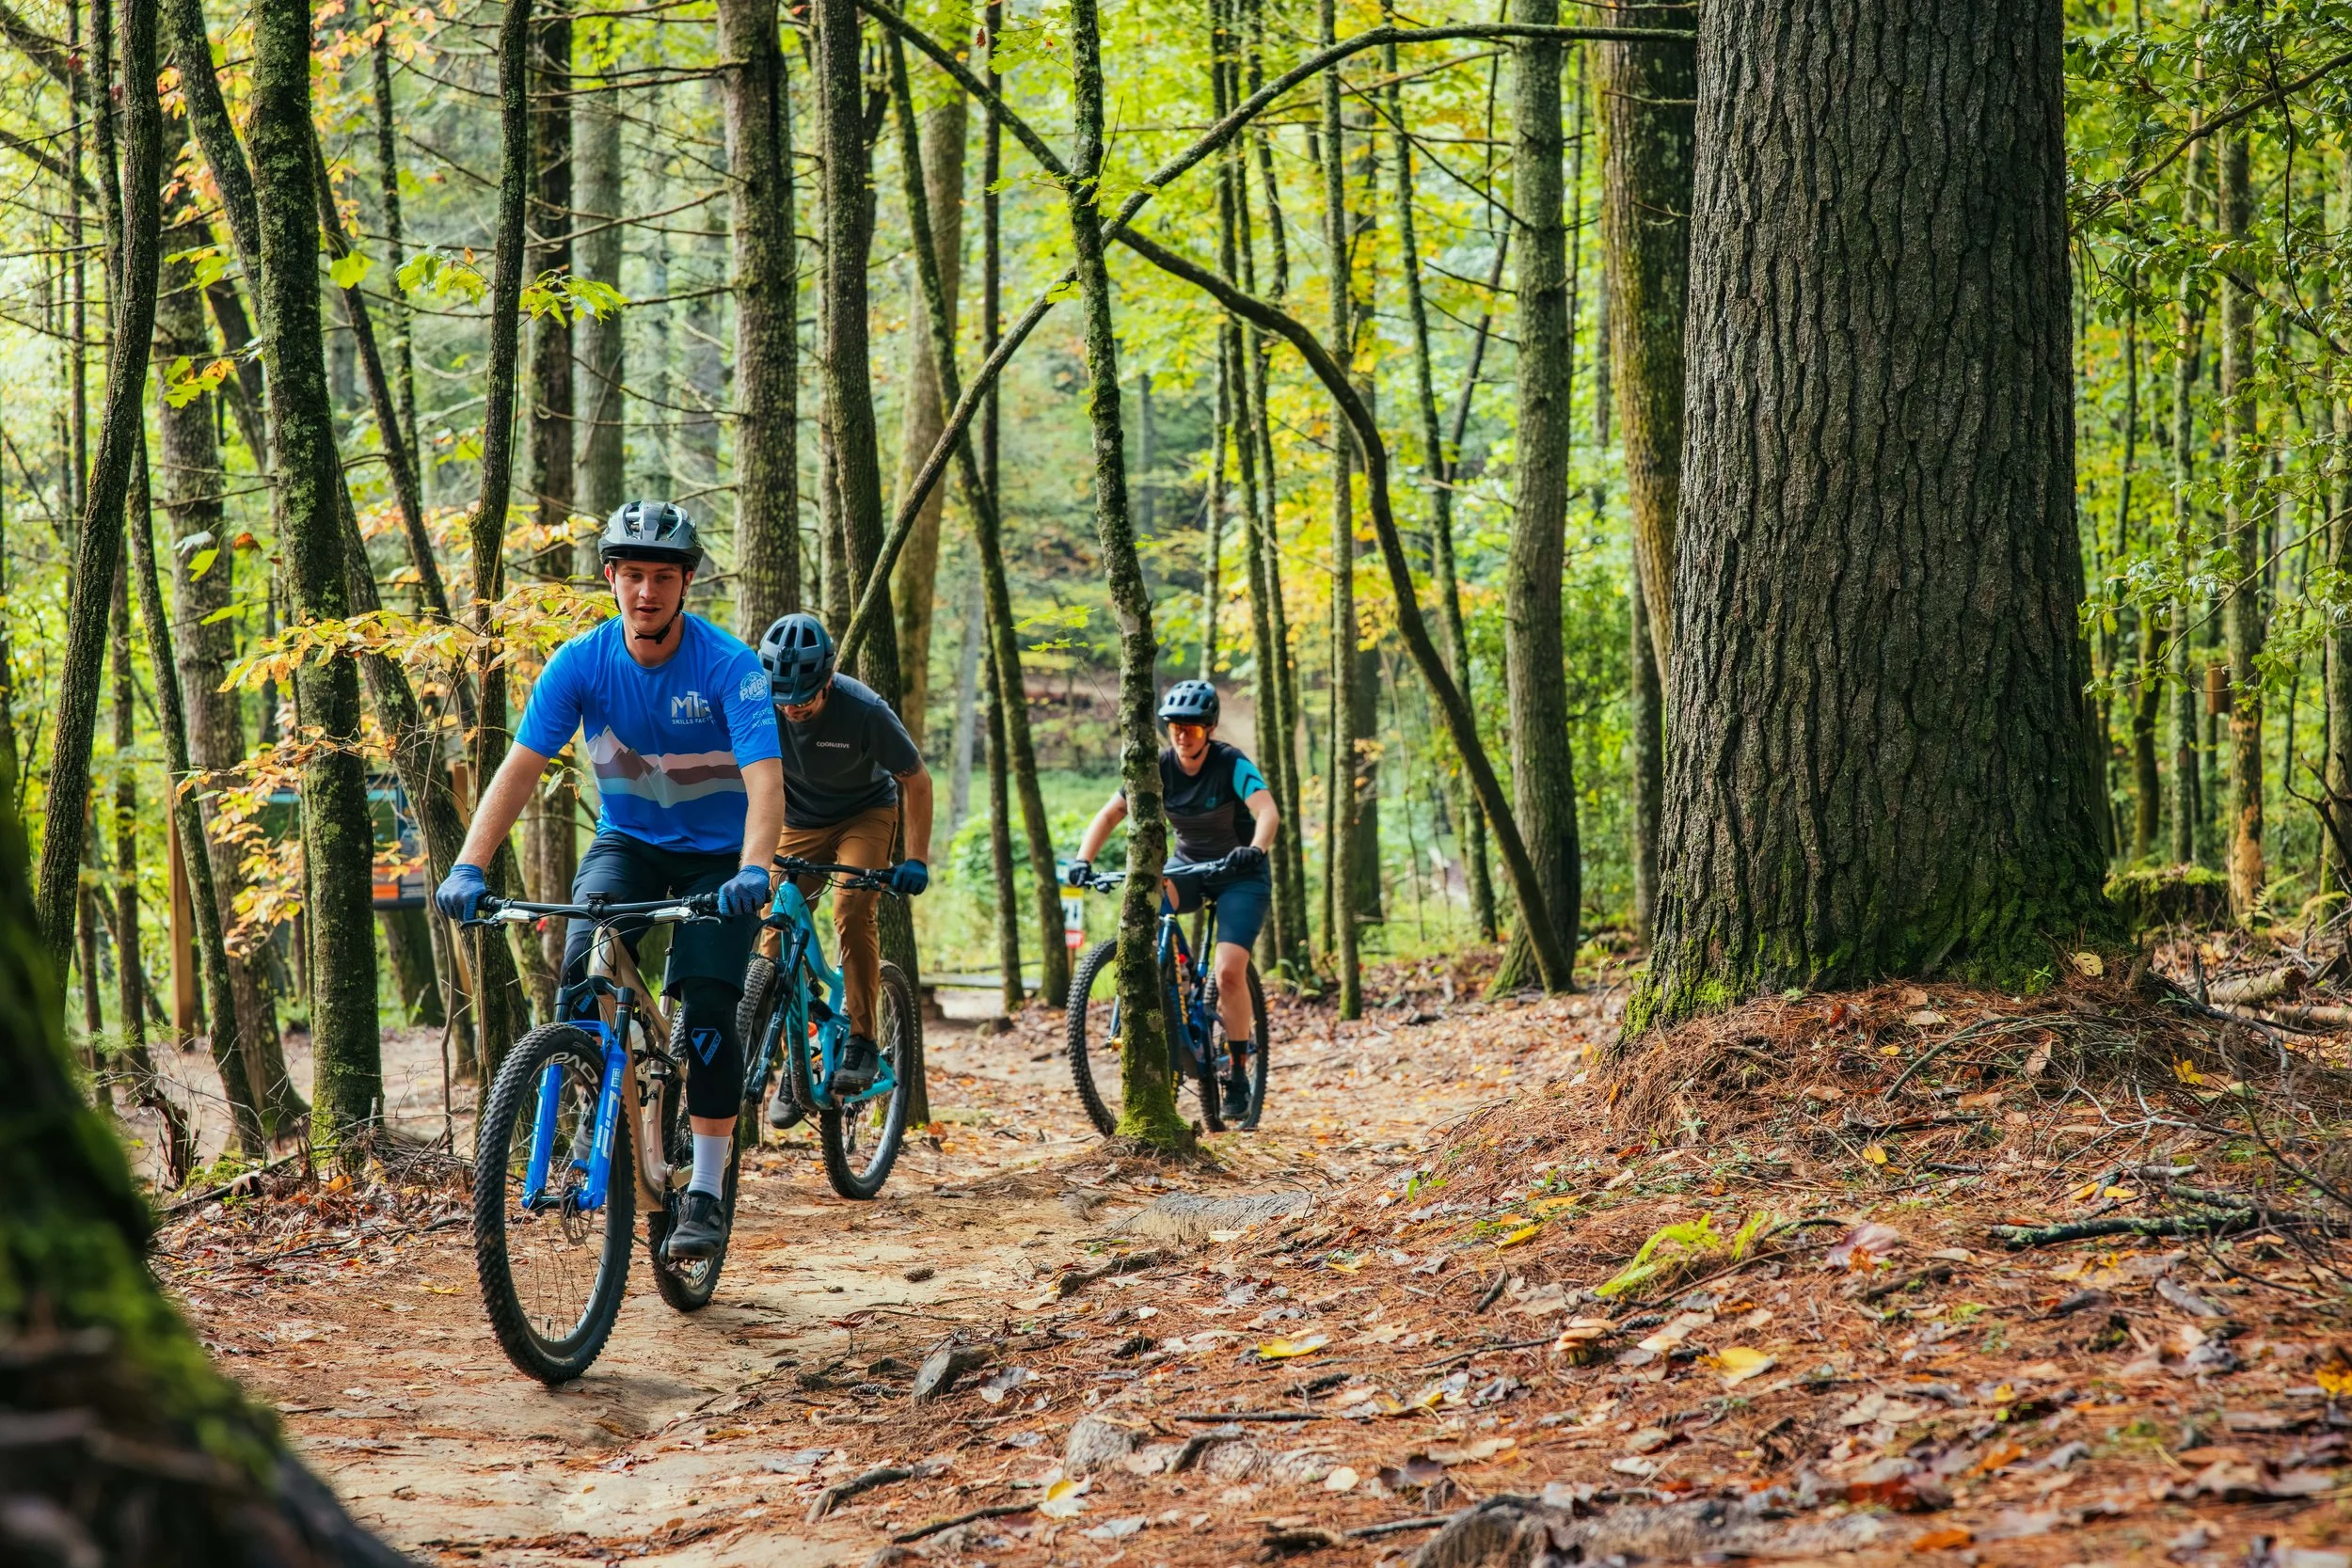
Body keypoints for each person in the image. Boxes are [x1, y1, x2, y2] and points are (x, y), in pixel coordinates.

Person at [435, 501, 784, 1261]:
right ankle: (599, 1124)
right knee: (578, 969)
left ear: (686, 582)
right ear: (612, 579)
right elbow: (519, 768)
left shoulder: (730, 667)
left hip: (720, 858)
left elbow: (765, 783)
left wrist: (755, 869)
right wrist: (469, 863)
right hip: (629, 840)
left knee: (710, 1006)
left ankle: (707, 1187)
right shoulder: (582, 664)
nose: (647, 592)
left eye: (663, 576)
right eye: (633, 576)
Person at [1066, 679, 1278, 1122]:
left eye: (1194, 728)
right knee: (1146, 908)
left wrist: (1254, 849)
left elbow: (1266, 811)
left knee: (1229, 971)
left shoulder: (1231, 764)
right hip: (1187, 869)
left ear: (1210, 729)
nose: (1183, 735)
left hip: (1239, 874)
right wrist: (1083, 860)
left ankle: (1238, 1073)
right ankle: (1172, 989)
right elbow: (1110, 813)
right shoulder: (1158, 766)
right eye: (1175, 726)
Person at [755, 613, 933, 1126]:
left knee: (852, 907)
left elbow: (916, 781)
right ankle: (792, 1056)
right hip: (796, 817)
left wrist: (915, 858)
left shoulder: (864, 711)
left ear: (828, 681)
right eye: (781, 700)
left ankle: (860, 1039)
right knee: (772, 926)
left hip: (865, 814)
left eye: (803, 700)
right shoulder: (758, 704)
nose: (791, 709)